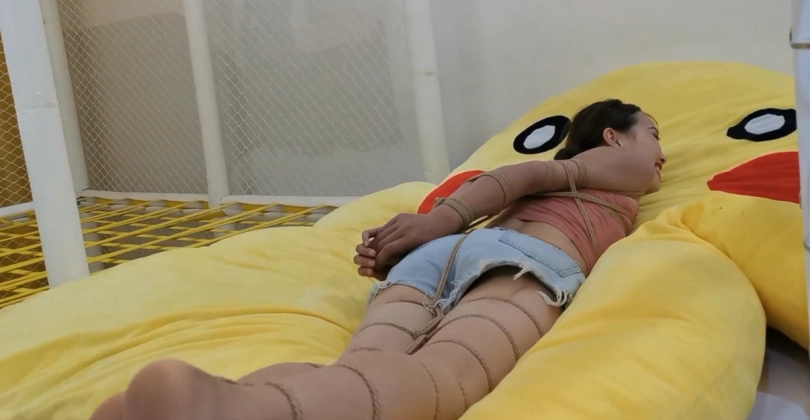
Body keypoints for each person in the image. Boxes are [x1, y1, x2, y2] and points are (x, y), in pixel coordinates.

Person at [90, 99, 666, 420]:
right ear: (613, 137)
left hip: (441, 260)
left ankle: (223, 399)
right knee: (448, 377)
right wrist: (440, 217)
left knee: (359, 373)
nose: (662, 154)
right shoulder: (624, 167)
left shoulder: (588, 177)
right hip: (522, 262)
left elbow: (513, 189)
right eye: (655, 135)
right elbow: (528, 172)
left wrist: (417, 239)